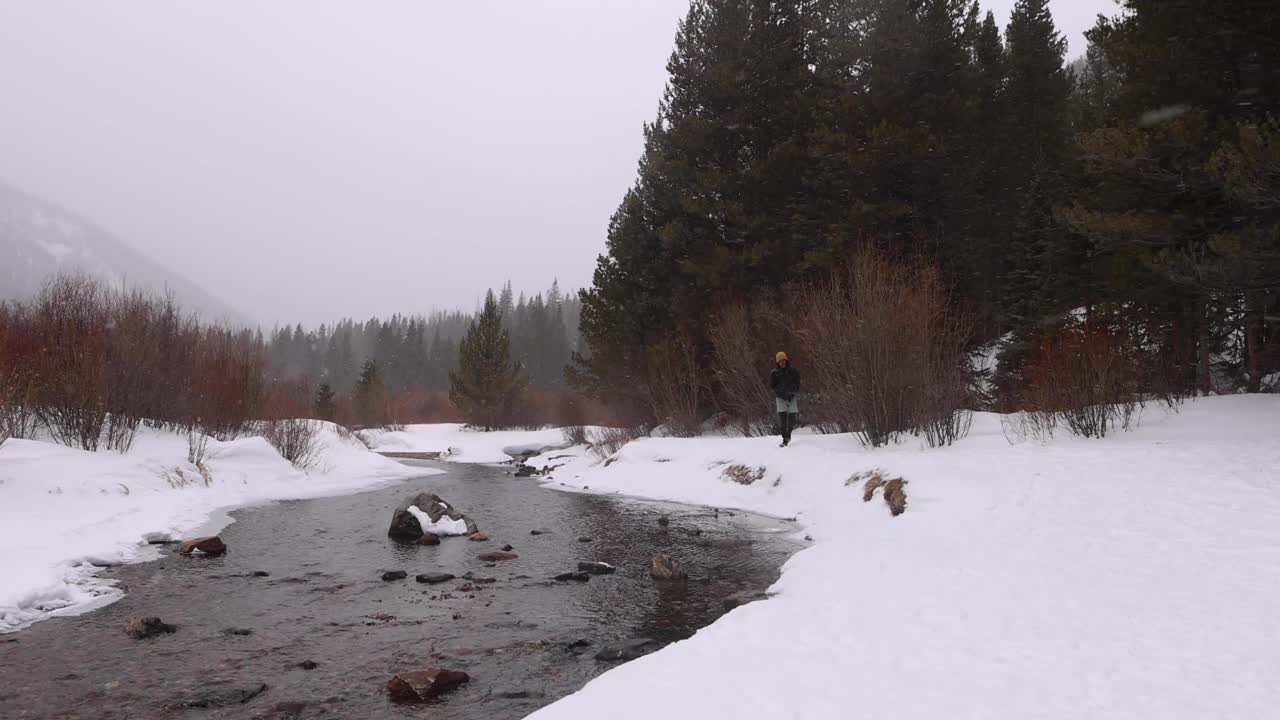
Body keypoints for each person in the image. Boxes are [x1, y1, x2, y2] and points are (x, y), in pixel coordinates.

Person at [770, 351, 800, 447]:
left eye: (784, 360)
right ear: (777, 362)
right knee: (782, 418)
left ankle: (789, 434)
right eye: (780, 361)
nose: (782, 362)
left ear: (786, 360)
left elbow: (797, 383)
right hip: (780, 397)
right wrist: (781, 394)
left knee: (792, 417)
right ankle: (784, 438)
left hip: (792, 396)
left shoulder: (793, 371)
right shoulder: (774, 373)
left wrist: (791, 393)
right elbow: (773, 386)